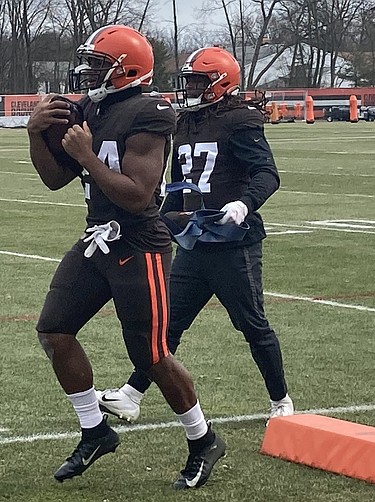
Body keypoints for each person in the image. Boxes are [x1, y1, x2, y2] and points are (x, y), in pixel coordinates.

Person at [27, 25, 225, 490]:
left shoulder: (149, 111)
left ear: (126, 70)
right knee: (54, 331)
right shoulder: (91, 108)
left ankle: (203, 439)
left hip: (139, 242)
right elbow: (54, 179)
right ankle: (95, 430)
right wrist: (35, 135)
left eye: (99, 64)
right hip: (98, 237)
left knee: (151, 354)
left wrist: (88, 156)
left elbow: (139, 196)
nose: (88, 71)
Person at [97, 46, 293, 425]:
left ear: (220, 84)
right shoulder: (184, 121)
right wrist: (162, 219)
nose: (190, 88)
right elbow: (176, 185)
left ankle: (281, 400)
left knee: (252, 324)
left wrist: (244, 204)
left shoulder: (240, 120)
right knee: (167, 324)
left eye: (198, 81)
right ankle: (132, 395)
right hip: (194, 240)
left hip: (234, 244)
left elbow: (267, 174)